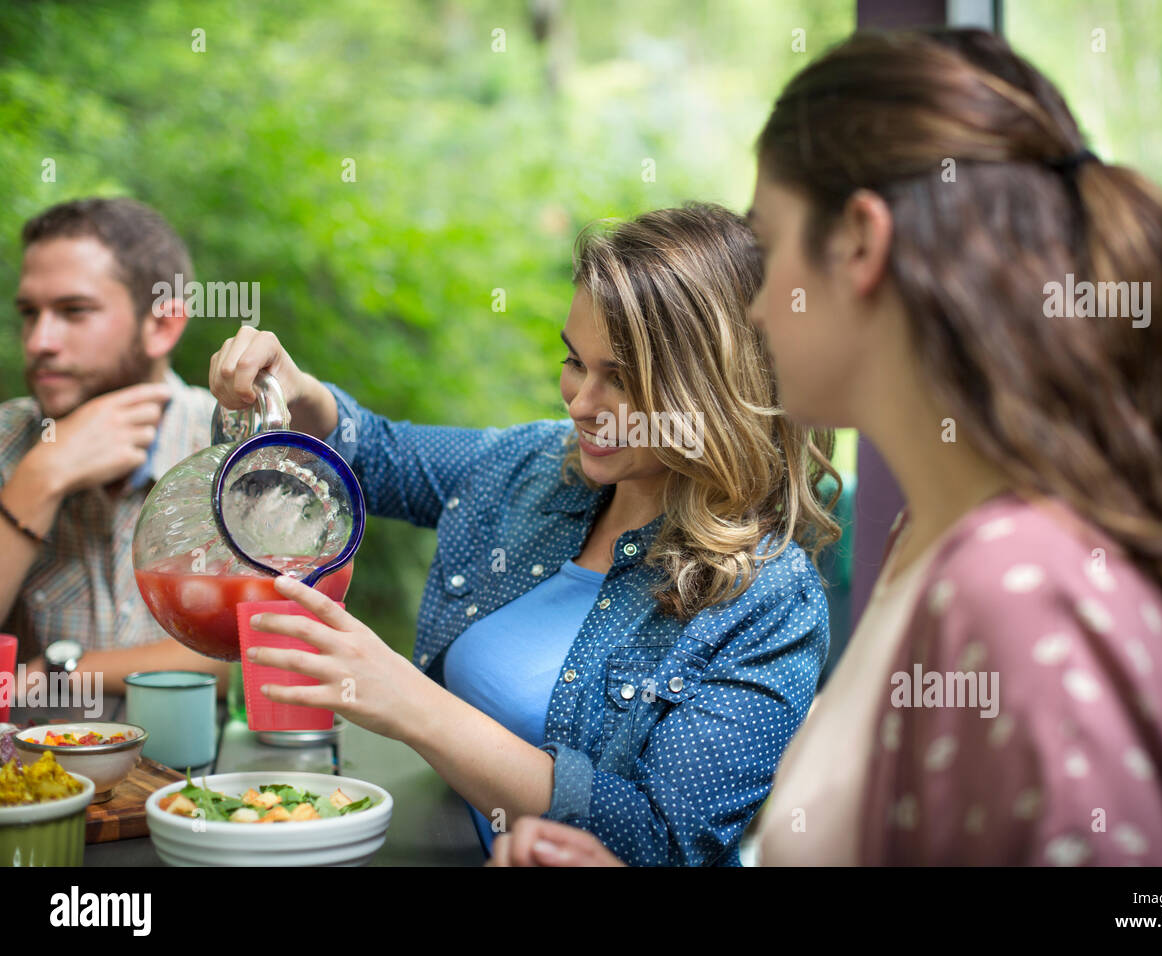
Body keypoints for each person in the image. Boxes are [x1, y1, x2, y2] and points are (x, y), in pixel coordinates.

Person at [487, 27, 1162, 867]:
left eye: (772, 246)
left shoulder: (1015, 588)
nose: (754, 311)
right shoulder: (930, 542)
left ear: (861, 244)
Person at [208, 202, 842, 865]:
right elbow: (380, 454)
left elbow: (663, 842)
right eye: (575, 361)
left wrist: (411, 703)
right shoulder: (537, 469)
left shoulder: (769, 601)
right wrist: (296, 387)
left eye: (620, 378)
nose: (579, 401)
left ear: (712, 391)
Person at [0, 197, 224, 696]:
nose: (40, 340)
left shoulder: (230, 448)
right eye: (29, 313)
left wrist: (62, 674)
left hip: (200, 772)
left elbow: (260, 646)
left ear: (162, 325)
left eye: (73, 311)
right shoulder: (7, 440)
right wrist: (42, 476)